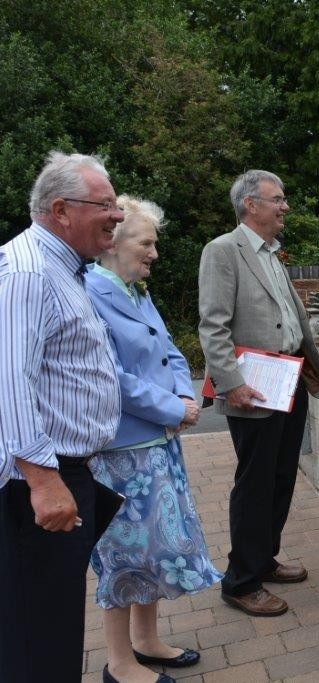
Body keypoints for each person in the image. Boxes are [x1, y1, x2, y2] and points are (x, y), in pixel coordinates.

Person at [86, 196, 224, 683]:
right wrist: (173, 408)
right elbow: (112, 378)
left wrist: (185, 399)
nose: (155, 253)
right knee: (124, 555)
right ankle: (119, 663)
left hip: (158, 442)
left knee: (154, 549)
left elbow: (170, 354)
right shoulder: (91, 292)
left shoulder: (135, 292)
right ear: (114, 243)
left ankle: (146, 641)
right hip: (122, 451)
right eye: (147, 243)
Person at [0, 151, 124, 682]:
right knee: (39, 636)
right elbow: (10, 378)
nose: (118, 216)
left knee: (49, 622)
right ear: (60, 210)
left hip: (67, 472)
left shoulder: (65, 267)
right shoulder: (28, 271)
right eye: (107, 205)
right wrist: (44, 480)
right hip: (43, 481)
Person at [198, 170, 319, 617]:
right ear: (251, 204)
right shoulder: (222, 251)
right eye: (277, 199)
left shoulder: (272, 254)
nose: (284, 206)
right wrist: (231, 384)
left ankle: (264, 558)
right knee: (254, 484)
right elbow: (212, 325)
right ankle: (240, 581)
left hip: (288, 380)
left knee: (281, 477)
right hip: (253, 387)